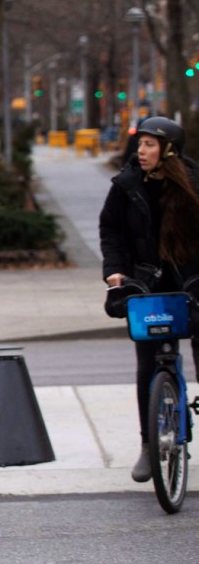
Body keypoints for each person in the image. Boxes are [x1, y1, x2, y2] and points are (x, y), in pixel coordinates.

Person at [97, 115, 199, 482]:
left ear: (168, 150)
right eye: (139, 144)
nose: (140, 151)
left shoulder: (194, 184)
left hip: (192, 281)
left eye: (149, 145)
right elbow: (110, 229)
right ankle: (148, 444)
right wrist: (115, 270)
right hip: (147, 284)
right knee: (148, 364)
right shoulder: (126, 185)